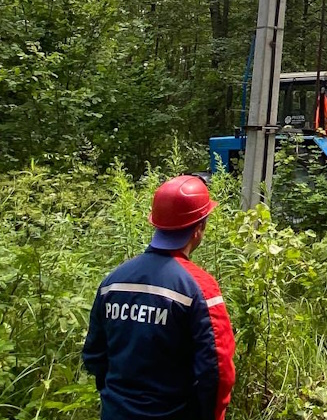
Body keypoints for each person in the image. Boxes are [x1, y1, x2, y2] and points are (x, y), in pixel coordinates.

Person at [82, 175, 236, 420]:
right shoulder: (200, 288)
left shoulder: (113, 281)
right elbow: (217, 372)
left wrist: (117, 400)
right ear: (199, 228)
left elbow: (94, 355)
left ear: (157, 223)